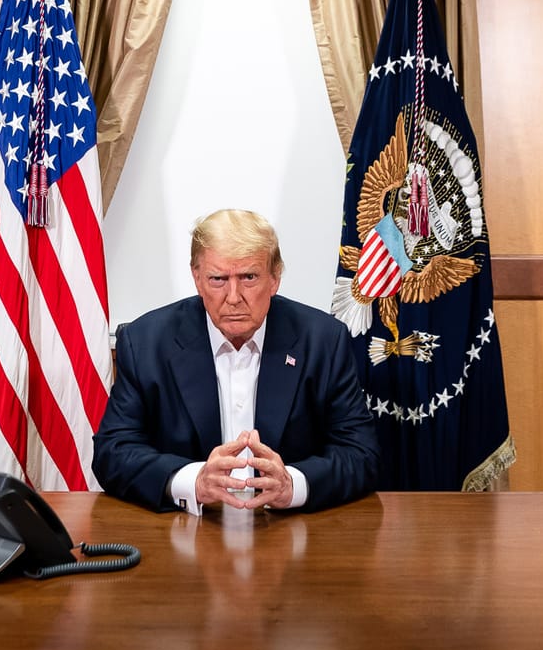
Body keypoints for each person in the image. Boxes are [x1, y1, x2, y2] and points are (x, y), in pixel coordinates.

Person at [92, 208, 379, 513]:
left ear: (275, 278)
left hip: (290, 534)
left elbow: (362, 454)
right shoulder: (146, 342)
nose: (233, 296)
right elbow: (113, 452)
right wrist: (192, 481)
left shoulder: (322, 340)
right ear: (197, 279)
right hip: (186, 534)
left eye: (249, 277)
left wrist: (291, 485)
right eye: (218, 279)